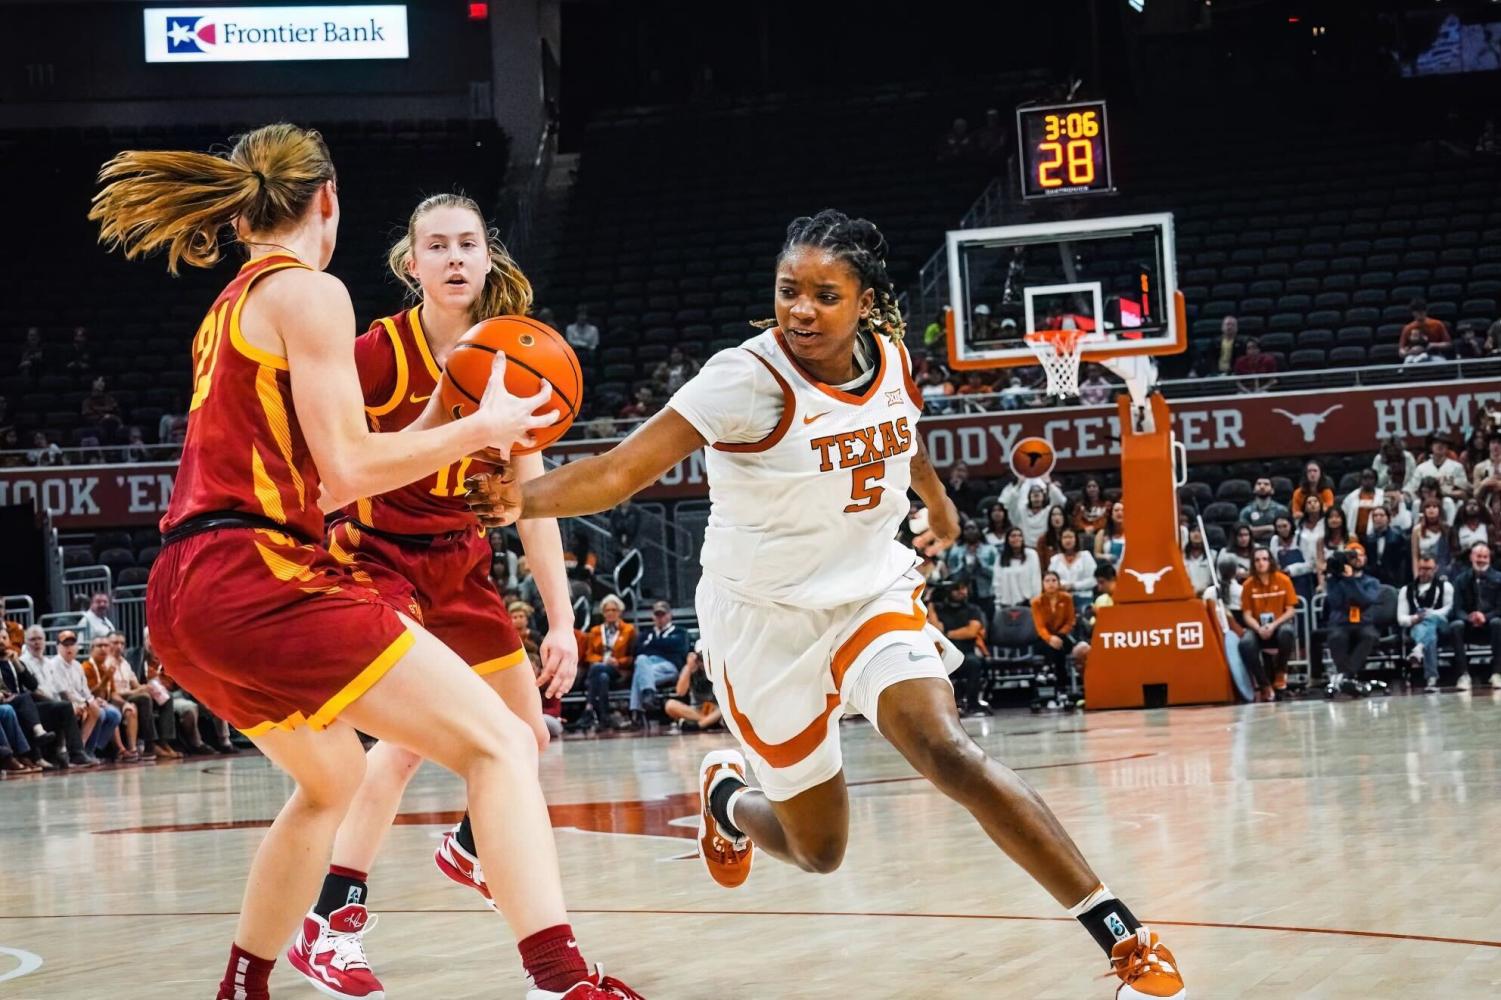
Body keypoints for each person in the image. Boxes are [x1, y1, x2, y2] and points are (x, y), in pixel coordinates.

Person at [465, 209, 1187, 996]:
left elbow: (901, 434)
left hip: (869, 592)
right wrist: (521, 501)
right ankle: (726, 798)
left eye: (823, 295)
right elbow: (619, 472)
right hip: (764, 623)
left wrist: (937, 505)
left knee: (947, 750)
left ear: (866, 303)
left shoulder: (889, 357)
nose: (801, 310)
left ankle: (1124, 938)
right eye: (788, 292)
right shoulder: (745, 378)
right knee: (818, 851)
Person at [89, 123, 639, 1000]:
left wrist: (449, 425)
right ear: (330, 201)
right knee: (502, 743)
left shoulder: (231, 305)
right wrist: (483, 427)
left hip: (186, 594)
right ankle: (561, 978)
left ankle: (245, 983)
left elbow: (339, 466)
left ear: (241, 217)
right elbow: (348, 476)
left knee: (332, 777)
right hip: (263, 572)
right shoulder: (313, 295)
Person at [290, 192, 596, 999]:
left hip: (459, 562)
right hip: (374, 557)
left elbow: (531, 500)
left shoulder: (517, 352)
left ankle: (470, 849)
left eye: (468, 243)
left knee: (524, 741)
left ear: (488, 256)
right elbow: (320, 462)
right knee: (403, 745)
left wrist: (560, 622)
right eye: (438, 245)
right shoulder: (372, 354)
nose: (455, 257)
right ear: (411, 262)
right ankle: (328, 923)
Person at [36, 631, 119, 759]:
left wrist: (93, 700)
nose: (69, 648)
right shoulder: (54, 664)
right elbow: (64, 693)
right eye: (65, 645)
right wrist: (86, 703)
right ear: (58, 647)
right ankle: (80, 750)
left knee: (114, 713)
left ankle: (91, 749)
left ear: (77, 647)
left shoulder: (77, 666)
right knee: (97, 712)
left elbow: (85, 691)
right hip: (62, 702)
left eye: (72, 644)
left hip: (80, 701)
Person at [1239, 548, 1298, 701]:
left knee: (1287, 632)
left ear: (1270, 561)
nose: (1261, 563)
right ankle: (1264, 683)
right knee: (1245, 642)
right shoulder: (1247, 585)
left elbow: (1290, 610)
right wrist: (1259, 628)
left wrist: (1273, 625)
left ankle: (1281, 672)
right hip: (1258, 628)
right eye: (1257, 560)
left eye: (1264, 559)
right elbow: (1247, 615)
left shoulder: (1283, 580)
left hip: (1278, 626)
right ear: (1253, 563)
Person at [621, 600, 690, 730]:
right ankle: (648, 694)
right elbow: (637, 651)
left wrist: (653, 645)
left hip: (669, 667)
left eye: (662, 614)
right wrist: (664, 645)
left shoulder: (680, 632)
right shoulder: (646, 634)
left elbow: (680, 649)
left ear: (669, 615)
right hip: (649, 666)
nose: (660, 618)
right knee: (641, 661)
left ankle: (636, 714)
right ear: (652, 616)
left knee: (640, 671)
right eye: (657, 615)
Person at [929, 576, 991, 717]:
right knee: (935, 665)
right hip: (944, 653)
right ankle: (948, 705)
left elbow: (972, 631)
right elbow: (935, 629)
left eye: (964, 588)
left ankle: (972, 704)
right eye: (957, 589)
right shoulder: (939, 609)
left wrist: (947, 633)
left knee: (974, 663)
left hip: (965, 651)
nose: (962, 592)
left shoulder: (973, 609)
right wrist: (930, 604)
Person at [1447, 542, 1501, 690]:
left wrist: (1485, 617)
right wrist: (1470, 617)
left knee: (1498, 622)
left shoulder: (1499, 579)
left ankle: (1497, 673)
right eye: (1478, 556)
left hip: (1490, 626)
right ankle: (1463, 675)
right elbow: (1457, 609)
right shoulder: (1460, 580)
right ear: (1471, 557)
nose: (1481, 560)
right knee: (1455, 625)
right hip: (1469, 626)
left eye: (1485, 557)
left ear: (1489, 559)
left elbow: (1499, 608)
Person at [579, 594, 636, 732]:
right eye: (607, 610)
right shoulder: (595, 631)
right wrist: (602, 660)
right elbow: (589, 655)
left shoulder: (629, 630)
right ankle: (605, 716)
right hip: (601, 670)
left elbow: (632, 656)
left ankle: (589, 708)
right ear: (603, 613)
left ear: (620, 612)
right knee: (602, 676)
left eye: (613, 610)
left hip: (618, 670)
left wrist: (618, 661)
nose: (610, 613)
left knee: (598, 670)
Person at [1324, 547, 1382, 679]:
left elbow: (1365, 600)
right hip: (1341, 623)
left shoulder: (1371, 582)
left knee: (1370, 636)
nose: (1357, 559)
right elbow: (1336, 602)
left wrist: (1351, 580)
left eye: (1360, 555)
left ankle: (1346, 676)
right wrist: (1337, 578)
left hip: (1363, 622)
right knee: (1336, 637)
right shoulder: (1334, 580)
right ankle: (1347, 675)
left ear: (1365, 558)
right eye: (1352, 557)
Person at [1398, 555, 1452, 692]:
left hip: (1442, 625)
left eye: (1428, 569)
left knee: (1431, 622)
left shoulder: (1445, 586)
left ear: (1435, 569)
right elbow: (1401, 618)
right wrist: (1414, 618)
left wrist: (1430, 614)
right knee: (1429, 633)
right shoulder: (1406, 590)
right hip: (1418, 626)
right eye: (1421, 568)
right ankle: (1431, 679)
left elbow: (1448, 610)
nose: (1424, 572)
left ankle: (1419, 648)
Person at [1031, 571, 1088, 679]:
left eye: (1054, 580)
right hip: (1044, 638)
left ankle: (1046, 669)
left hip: (1063, 635)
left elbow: (1070, 621)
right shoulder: (1036, 602)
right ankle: (1061, 687)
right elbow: (1040, 626)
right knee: (1055, 648)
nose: (1051, 583)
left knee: (1059, 644)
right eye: (1047, 581)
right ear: (1042, 583)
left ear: (1058, 583)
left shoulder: (1067, 598)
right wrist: (1050, 638)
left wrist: (1059, 635)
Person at [944, 520, 998, 619]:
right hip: (964, 594)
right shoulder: (956, 551)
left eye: (972, 528)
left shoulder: (990, 550)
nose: (969, 531)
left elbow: (997, 573)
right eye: (966, 529)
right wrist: (963, 568)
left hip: (986, 593)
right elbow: (951, 573)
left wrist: (981, 566)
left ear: (979, 531)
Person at [664, 646, 722, 732]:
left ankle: (699, 725)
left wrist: (711, 666)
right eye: (701, 657)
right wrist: (688, 667)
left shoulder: (719, 666)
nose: (703, 661)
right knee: (670, 705)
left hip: (716, 710)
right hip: (696, 711)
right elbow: (680, 692)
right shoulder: (691, 668)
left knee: (723, 710)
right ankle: (708, 722)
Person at [993, 526, 1043, 608]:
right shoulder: (1000, 557)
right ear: (1007, 539)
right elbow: (997, 581)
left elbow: (1036, 579)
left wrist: (1035, 601)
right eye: (1013, 536)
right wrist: (998, 603)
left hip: (1027, 603)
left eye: (1019, 536)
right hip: (1006, 604)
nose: (1016, 538)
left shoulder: (1031, 554)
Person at [1270, 515, 1315, 603]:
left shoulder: (1302, 538)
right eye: (1279, 527)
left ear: (1291, 525)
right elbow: (1273, 560)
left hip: (1302, 582)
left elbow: (1311, 564)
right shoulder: (1274, 540)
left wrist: (1291, 569)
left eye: (1285, 526)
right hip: (1282, 581)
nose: (1282, 529)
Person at [1048, 528, 1098, 604]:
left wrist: (1073, 586)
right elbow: (1049, 580)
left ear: (1076, 539)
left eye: (1070, 537)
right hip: (1060, 599)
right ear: (1060, 540)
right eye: (1065, 537)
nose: (1068, 540)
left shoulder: (1086, 556)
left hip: (1083, 598)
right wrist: (1062, 586)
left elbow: (1094, 580)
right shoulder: (1055, 560)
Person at [1363, 505, 1409, 586]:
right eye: (1375, 515)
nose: (1378, 518)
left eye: (1381, 515)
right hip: (1373, 577)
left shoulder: (1397, 537)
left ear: (1388, 518)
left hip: (1392, 577)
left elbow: (1402, 562)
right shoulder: (1368, 539)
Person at [1341, 468, 1388, 537]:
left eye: (1371, 478)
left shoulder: (1383, 495)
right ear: (1360, 480)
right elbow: (1343, 515)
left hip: (1376, 536)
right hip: (1355, 536)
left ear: (1376, 481)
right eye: (1365, 478)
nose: (1368, 481)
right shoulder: (1351, 497)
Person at [1240, 477, 1289, 541]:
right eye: (1259, 484)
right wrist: (1270, 528)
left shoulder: (1281, 510)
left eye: (1266, 484)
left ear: (1272, 490)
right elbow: (1245, 532)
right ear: (1254, 489)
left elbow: (1284, 531)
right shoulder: (1246, 511)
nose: (1262, 486)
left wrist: (1256, 530)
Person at [1093, 500, 1127, 567]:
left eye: (1123, 510)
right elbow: (1096, 554)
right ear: (1111, 515)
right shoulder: (1102, 533)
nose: (1120, 512)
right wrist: (1106, 557)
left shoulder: (1133, 534)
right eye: (1116, 510)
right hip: (1109, 570)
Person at [1182, 527, 1214, 595]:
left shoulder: (1213, 556)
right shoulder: (1182, 556)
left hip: (1207, 596)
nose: (1196, 534)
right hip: (1187, 596)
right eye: (1193, 531)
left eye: (1199, 531)